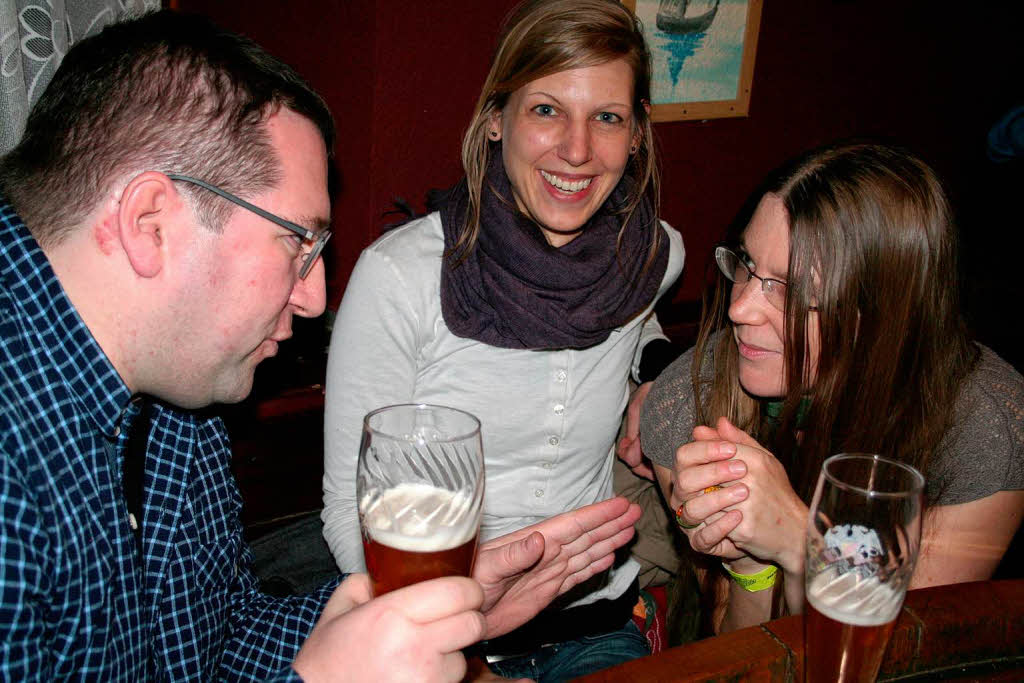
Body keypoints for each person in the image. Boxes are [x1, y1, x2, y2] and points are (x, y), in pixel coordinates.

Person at [0, 10, 646, 681]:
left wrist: (416, 609)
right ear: (149, 223)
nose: (313, 297)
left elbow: (227, 640)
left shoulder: (177, 406)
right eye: (297, 242)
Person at [322, 0, 685, 678]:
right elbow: (351, 517)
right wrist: (462, 656)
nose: (577, 150)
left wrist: (655, 372)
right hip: (448, 635)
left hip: (597, 619)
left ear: (636, 135)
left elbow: (642, 319)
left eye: (606, 117)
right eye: (547, 110)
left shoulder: (649, 255)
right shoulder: (400, 278)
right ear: (496, 119)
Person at [637, 142, 1024, 633]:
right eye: (747, 266)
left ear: (885, 317)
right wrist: (752, 568)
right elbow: (744, 653)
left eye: (794, 289)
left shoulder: (985, 426)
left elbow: (903, 654)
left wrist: (804, 542)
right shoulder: (690, 398)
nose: (741, 310)